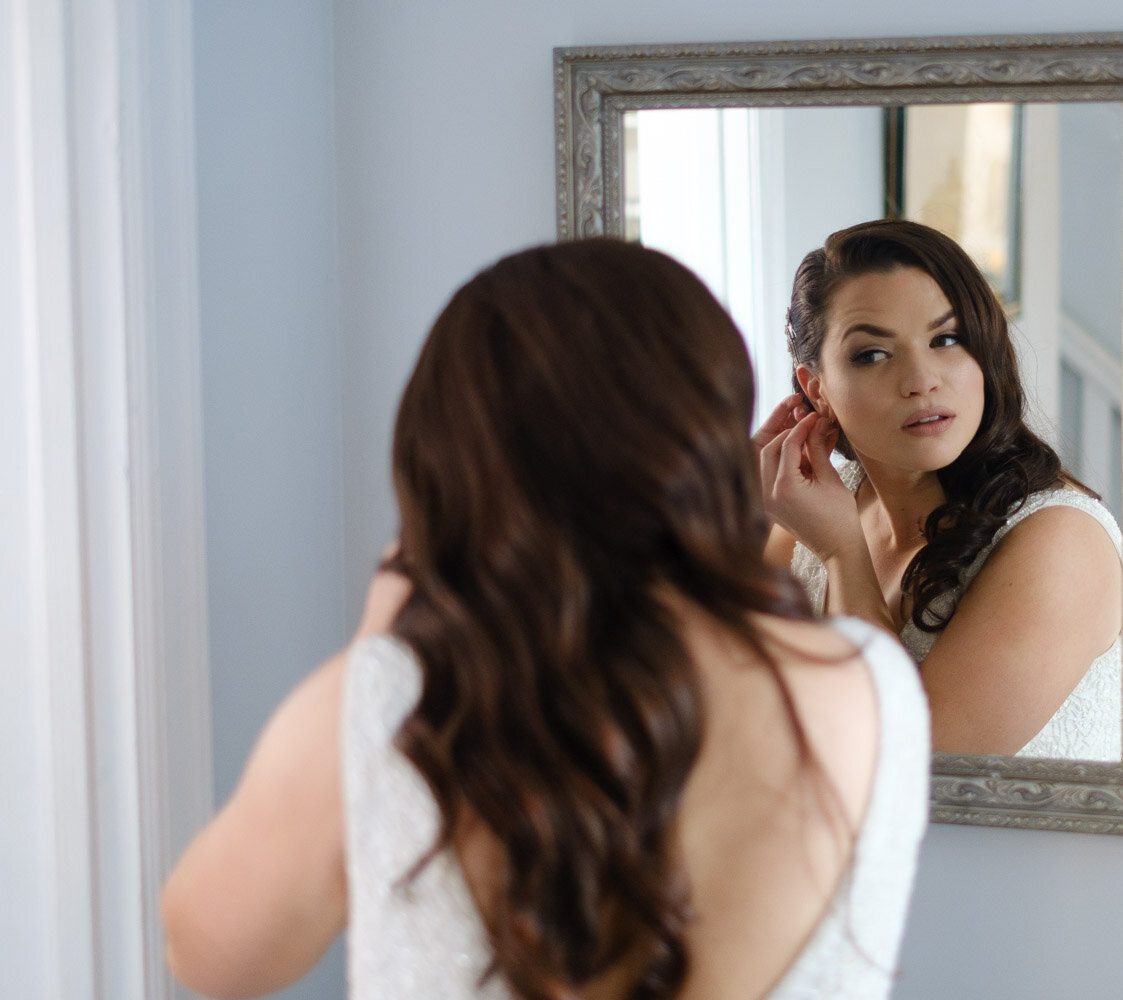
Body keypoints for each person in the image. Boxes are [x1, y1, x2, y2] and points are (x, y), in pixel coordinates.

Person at [161, 240, 929, 1000]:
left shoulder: (394, 696)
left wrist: (376, 646)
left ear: (454, 448)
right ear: (708, 424)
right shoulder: (868, 684)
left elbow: (206, 955)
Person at [756, 219, 1123, 760]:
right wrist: (736, 501)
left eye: (946, 339)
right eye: (872, 354)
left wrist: (843, 554)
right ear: (818, 389)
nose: (921, 380)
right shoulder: (821, 506)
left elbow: (917, 768)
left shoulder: (1062, 541)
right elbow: (719, 686)